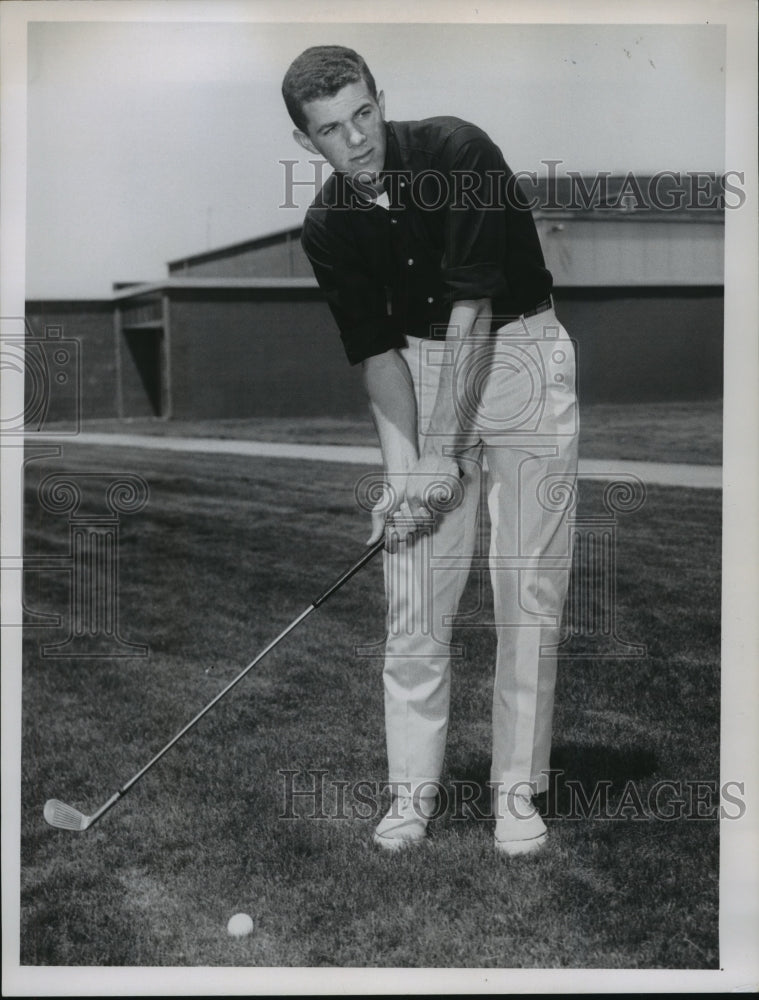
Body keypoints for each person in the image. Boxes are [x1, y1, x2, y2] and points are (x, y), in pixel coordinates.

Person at [282, 45, 579, 855]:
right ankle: (410, 799)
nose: (357, 140)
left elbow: (472, 315)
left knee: (528, 593)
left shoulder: (458, 151)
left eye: (363, 113)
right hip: (417, 364)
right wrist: (403, 473)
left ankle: (516, 797)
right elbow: (377, 354)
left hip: (516, 351)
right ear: (310, 144)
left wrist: (440, 457)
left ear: (381, 99)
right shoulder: (327, 227)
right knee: (414, 594)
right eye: (332, 130)